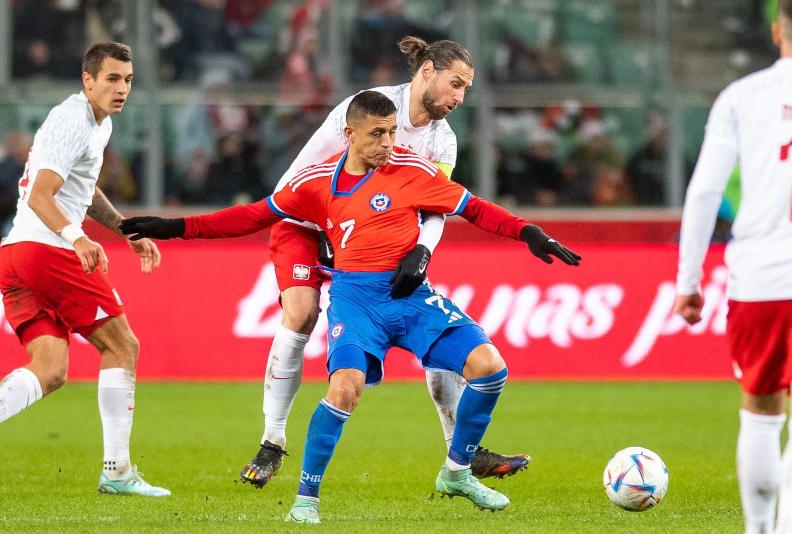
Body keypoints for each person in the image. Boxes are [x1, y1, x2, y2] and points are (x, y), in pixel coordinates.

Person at [120, 90, 581, 523]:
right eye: (377, 134)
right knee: (345, 388)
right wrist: (175, 227)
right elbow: (253, 216)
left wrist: (528, 232)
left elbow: (475, 208)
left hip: (410, 296)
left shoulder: (413, 170)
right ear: (350, 134)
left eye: (392, 132)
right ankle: (305, 499)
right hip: (356, 300)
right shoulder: (315, 182)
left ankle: (457, 472)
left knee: (490, 368)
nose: (388, 143)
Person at [241, 35, 529, 489]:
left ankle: (463, 452)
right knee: (301, 313)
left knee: (433, 329)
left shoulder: (443, 142)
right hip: (306, 222)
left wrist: (422, 250)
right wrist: (334, 230)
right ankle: (272, 441)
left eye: (466, 89)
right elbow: (300, 175)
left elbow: (436, 207)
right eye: (456, 84)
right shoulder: (366, 109)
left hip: (372, 238)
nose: (460, 97)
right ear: (428, 71)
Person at [0, 42, 169, 497]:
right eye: (111, 79)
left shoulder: (98, 124)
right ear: (87, 80)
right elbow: (41, 195)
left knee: (50, 369)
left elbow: (83, 192)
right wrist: (77, 238)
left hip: (16, 255)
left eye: (127, 80)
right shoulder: (73, 120)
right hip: (48, 249)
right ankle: (117, 471)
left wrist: (125, 230)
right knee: (123, 345)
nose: (121, 88)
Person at [675, 3, 792, 532]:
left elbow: (704, 192)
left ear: (776, 30)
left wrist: (689, 281)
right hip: (765, 271)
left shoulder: (742, 97)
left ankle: (759, 529)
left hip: (762, 275)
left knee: (762, 410)